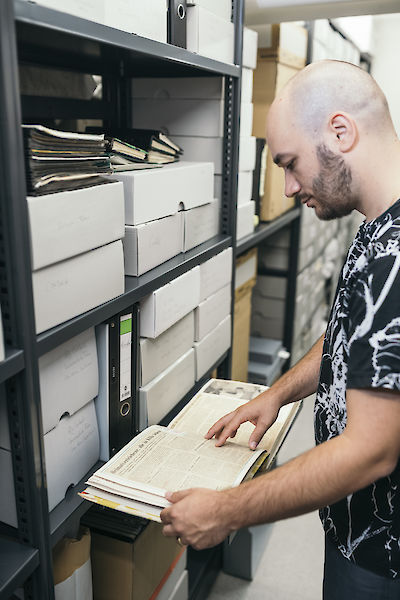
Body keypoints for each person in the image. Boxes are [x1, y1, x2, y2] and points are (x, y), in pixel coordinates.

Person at [160, 60, 400, 598]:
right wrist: (279, 394)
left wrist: (227, 511)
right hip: (360, 537)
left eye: (290, 163)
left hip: (383, 558)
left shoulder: (395, 257)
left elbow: (371, 450)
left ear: (340, 132)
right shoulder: (378, 228)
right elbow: (354, 338)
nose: (288, 188)